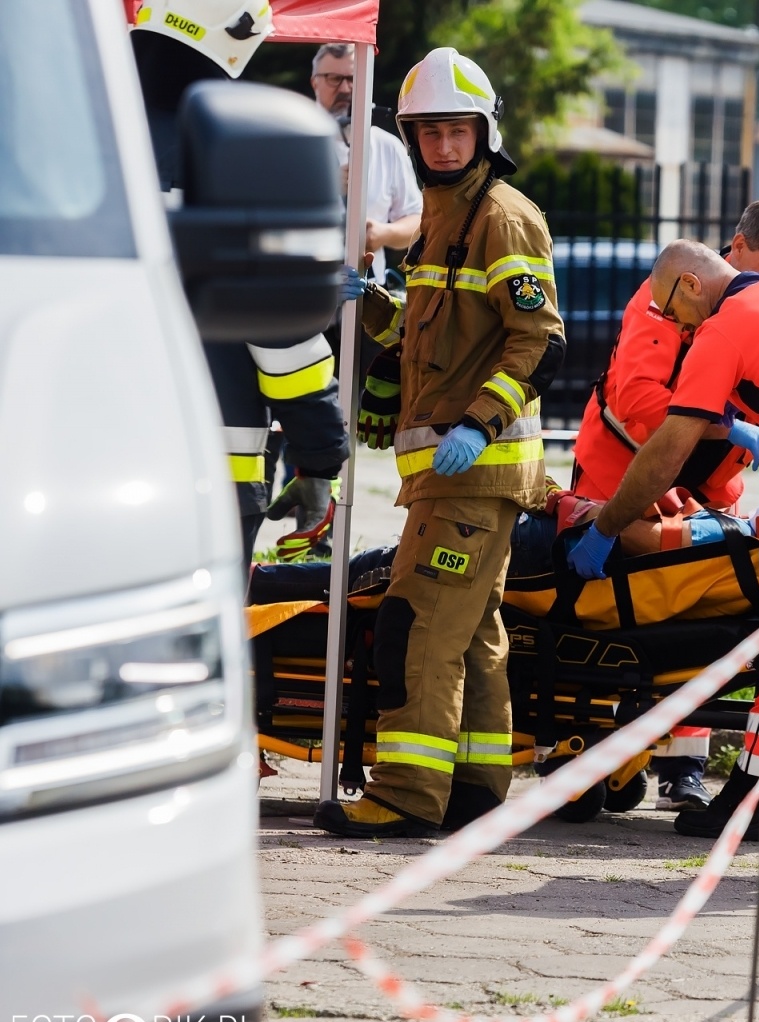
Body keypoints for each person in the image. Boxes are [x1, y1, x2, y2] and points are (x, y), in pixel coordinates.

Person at [314, 47, 567, 837]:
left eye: (460, 131)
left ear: (484, 133)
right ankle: (476, 788)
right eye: (431, 133)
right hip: (447, 478)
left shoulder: (503, 215)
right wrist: (376, 304)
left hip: (475, 470)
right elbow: (430, 338)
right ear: (412, 137)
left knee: (417, 626)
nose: (446, 147)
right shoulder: (442, 220)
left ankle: (406, 795)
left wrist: (476, 425)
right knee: (473, 633)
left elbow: (539, 341)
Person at [565, 240, 759, 840]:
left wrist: (607, 526)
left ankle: (753, 800)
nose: (673, 324)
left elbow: (667, 447)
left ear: (691, 285)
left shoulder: (723, 329)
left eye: (672, 310)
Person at [131, 0, 349, 566]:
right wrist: (321, 455)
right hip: (206, 477)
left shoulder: (69, 136)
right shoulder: (240, 149)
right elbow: (284, 343)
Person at [308, 43, 421, 279]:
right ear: (314, 82)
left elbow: (417, 220)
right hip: (306, 295)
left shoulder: (387, 146)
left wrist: (383, 233)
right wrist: (324, 191)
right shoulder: (293, 143)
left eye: (352, 78)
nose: (345, 88)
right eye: (333, 79)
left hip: (367, 298)